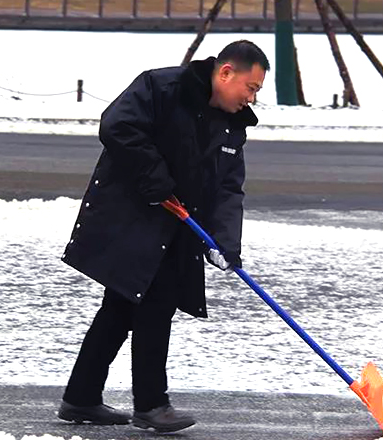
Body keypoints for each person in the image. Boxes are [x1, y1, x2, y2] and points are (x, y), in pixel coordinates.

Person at [57, 40, 269, 433]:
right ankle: (152, 405)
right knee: (155, 304)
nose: (251, 98)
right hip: (131, 216)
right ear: (226, 73)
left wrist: (224, 243)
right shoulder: (162, 88)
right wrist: (154, 177)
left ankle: (81, 398)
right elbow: (117, 125)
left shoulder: (232, 123)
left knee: (120, 308)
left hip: (179, 227)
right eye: (251, 87)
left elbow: (228, 188)